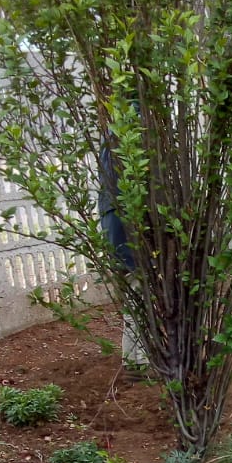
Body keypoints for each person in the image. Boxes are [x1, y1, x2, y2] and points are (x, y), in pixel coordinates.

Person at [97, 136, 149, 377]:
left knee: (133, 301)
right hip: (128, 245)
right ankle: (140, 362)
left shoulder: (107, 192)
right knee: (139, 299)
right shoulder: (123, 197)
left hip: (116, 242)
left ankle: (134, 361)